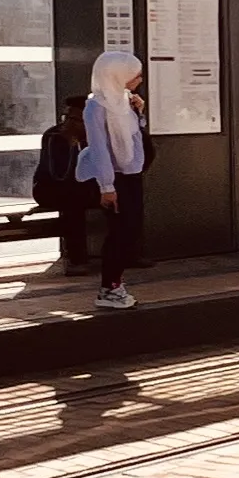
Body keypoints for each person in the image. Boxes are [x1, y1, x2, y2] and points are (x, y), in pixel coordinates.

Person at [79, 49, 148, 310]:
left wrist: (138, 113)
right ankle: (109, 288)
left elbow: (133, 138)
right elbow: (99, 148)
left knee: (131, 230)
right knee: (120, 232)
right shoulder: (95, 107)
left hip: (131, 174)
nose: (138, 79)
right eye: (133, 75)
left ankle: (115, 284)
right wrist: (106, 186)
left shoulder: (123, 102)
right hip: (114, 179)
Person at [30, 96, 91, 267]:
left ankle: (126, 253)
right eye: (69, 118)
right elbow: (58, 174)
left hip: (82, 187)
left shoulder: (95, 135)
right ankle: (77, 259)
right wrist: (72, 147)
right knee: (73, 201)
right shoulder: (54, 136)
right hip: (50, 188)